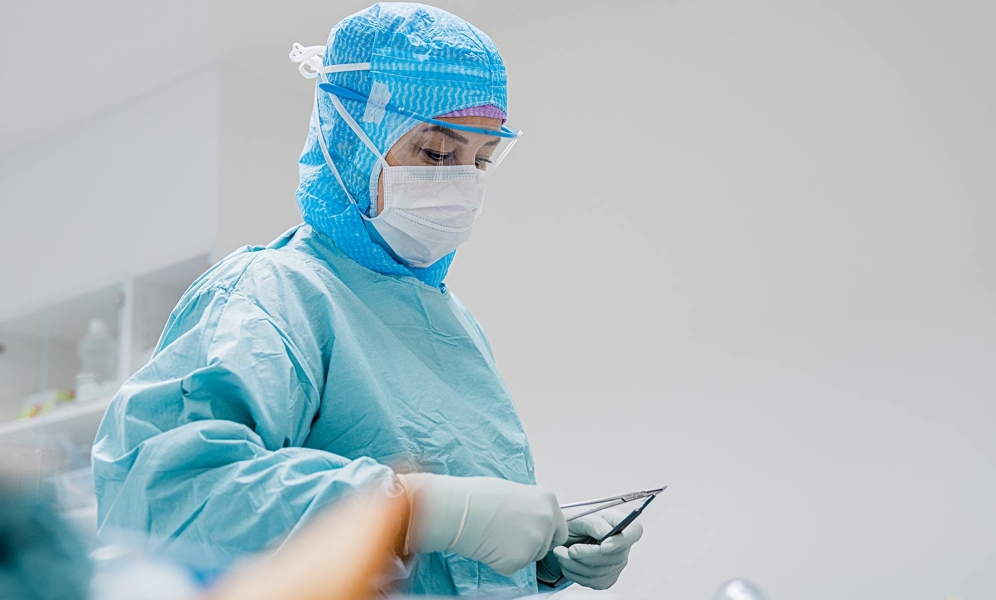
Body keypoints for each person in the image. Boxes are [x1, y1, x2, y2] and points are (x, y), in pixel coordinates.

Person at [92, 3, 643, 596]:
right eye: (436, 153)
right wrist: (412, 511)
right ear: (351, 142)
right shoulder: (275, 295)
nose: (463, 182)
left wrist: (544, 555)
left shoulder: (452, 325)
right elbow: (163, 496)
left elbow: (445, 558)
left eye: (481, 161)